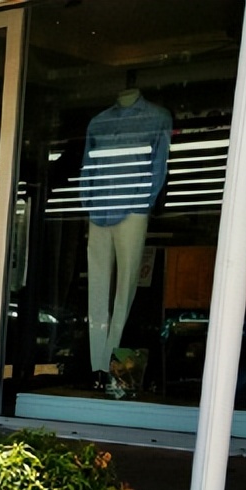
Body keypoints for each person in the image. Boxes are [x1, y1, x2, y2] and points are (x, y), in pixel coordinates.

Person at [80, 87, 172, 389]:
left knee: (127, 286)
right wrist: (87, 201)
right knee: (97, 285)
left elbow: (158, 165)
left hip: (132, 209)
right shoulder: (99, 122)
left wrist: (142, 203)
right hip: (98, 210)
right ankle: (96, 366)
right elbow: (88, 166)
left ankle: (111, 364)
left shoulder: (157, 117)